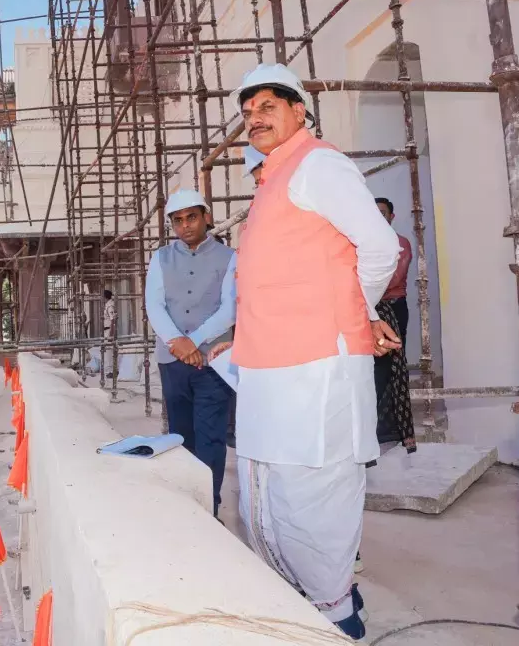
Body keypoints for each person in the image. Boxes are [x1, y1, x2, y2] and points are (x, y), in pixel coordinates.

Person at [225, 63, 401, 641]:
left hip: (317, 366)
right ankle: (307, 606)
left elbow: (377, 249)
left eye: (268, 106)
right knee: (269, 492)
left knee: (314, 492)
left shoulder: (318, 164)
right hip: (271, 367)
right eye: (248, 113)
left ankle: (336, 616)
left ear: (300, 109)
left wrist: (361, 312)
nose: (255, 119)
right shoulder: (273, 180)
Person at [144, 188, 237, 518]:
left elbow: (230, 310)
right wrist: (177, 343)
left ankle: (208, 507)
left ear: (206, 217)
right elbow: (153, 305)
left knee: (211, 438)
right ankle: (186, 507)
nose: (185, 225)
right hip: (173, 361)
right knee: (180, 437)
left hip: (214, 361)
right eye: (178, 220)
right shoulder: (161, 258)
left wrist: (193, 342)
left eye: (192, 217)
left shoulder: (230, 258)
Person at [374, 196, 417, 453]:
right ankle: (379, 427)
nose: (378, 216)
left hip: (392, 309)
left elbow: (390, 280)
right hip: (370, 310)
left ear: (391, 217)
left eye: (382, 212)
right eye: (374, 212)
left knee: (390, 367)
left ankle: (389, 427)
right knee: (375, 368)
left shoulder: (400, 243)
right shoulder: (365, 243)